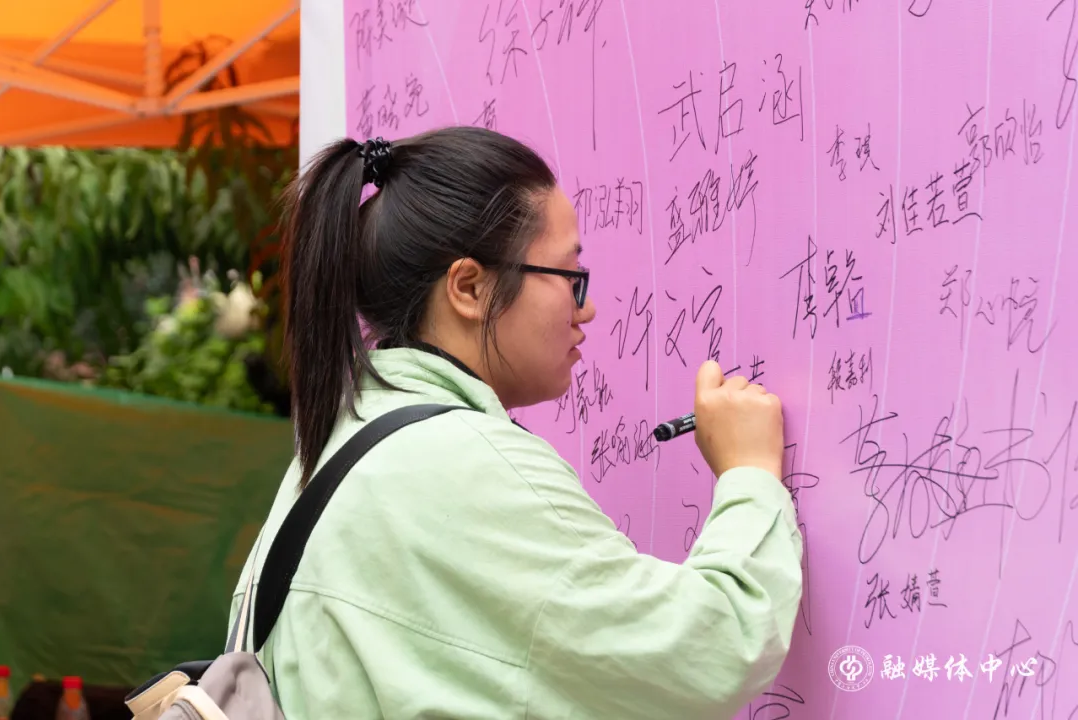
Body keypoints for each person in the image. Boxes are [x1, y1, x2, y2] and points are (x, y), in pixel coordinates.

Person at [229, 127, 803, 719]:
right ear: (469, 287)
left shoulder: (340, 446)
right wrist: (750, 474)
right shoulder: (461, 462)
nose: (587, 309)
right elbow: (707, 651)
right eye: (570, 277)